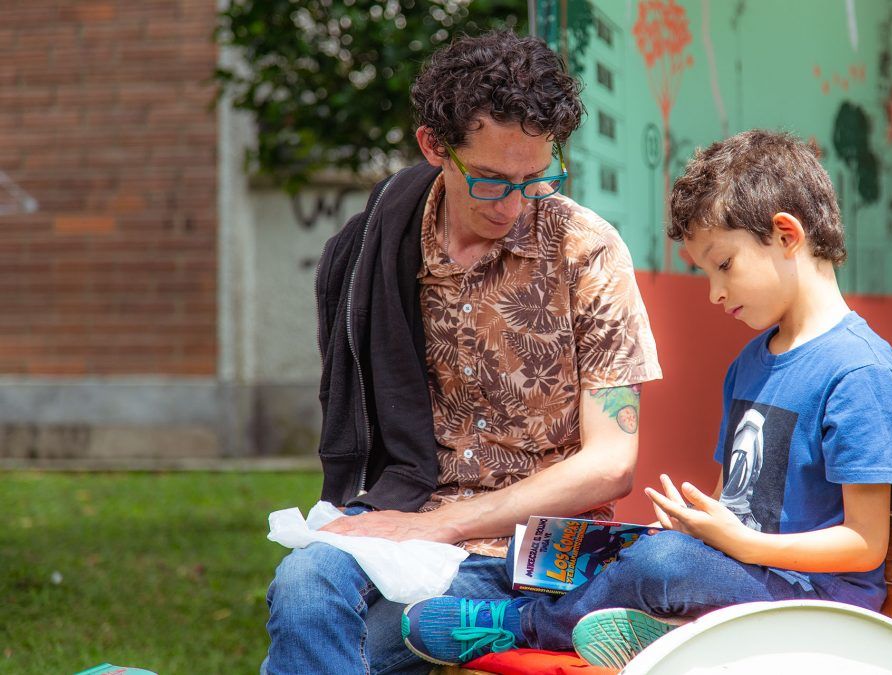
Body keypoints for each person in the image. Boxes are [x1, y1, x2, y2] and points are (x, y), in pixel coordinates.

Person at [401, 130, 892, 669]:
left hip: (816, 603)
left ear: (786, 235)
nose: (716, 293)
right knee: (588, 549)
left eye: (724, 265)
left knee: (664, 562)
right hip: (746, 576)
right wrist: (697, 525)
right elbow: (731, 503)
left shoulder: (858, 370)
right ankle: (657, 632)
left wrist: (732, 544)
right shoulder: (750, 363)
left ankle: (520, 626)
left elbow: (864, 543)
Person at [262, 31, 662, 674]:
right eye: (491, 181)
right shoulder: (377, 246)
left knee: (376, 640)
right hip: (402, 513)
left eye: (535, 179)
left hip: (538, 553)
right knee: (305, 585)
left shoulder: (586, 251)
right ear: (433, 147)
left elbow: (612, 465)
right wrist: (410, 525)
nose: (513, 206)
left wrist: (442, 527)